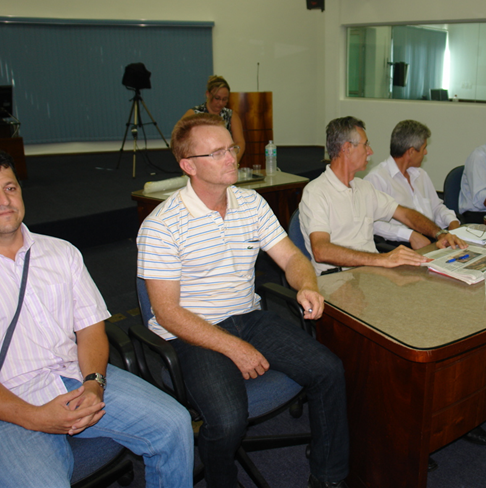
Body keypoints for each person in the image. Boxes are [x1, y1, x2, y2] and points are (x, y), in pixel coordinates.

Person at [0, 147, 193, 488]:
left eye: (10, 188)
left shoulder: (61, 252)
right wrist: (34, 416)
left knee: (175, 424)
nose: (4, 200)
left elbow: (90, 329)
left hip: (72, 376)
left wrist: (94, 384)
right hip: (2, 405)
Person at [136, 113, 349, 488]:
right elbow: (167, 313)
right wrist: (234, 348)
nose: (231, 157)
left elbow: (293, 258)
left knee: (328, 370)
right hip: (192, 330)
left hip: (248, 316)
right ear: (188, 166)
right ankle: (222, 480)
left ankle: (329, 476)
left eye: (230, 148)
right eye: (216, 153)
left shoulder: (250, 203)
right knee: (228, 418)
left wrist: (306, 284)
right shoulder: (161, 226)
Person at [299, 116, 466, 276]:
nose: (370, 152)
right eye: (366, 145)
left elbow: (405, 214)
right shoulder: (316, 192)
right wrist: (382, 259)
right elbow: (321, 250)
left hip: (369, 273)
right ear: (347, 149)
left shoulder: (363, 188)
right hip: (337, 280)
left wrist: (439, 234)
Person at [364, 119, 460, 249]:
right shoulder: (377, 178)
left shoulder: (421, 175)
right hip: (401, 245)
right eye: (424, 148)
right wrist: (409, 235)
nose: (426, 153)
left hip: (433, 237)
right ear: (410, 152)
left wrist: (452, 221)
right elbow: (373, 224)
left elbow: (436, 207)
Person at [177, 74, 246, 162]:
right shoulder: (193, 114)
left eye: (224, 99)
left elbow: (240, 143)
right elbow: (179, 138)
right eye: (217, 98)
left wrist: (234, 158)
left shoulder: (231, 115)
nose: (220, 103)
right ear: (208, 94)